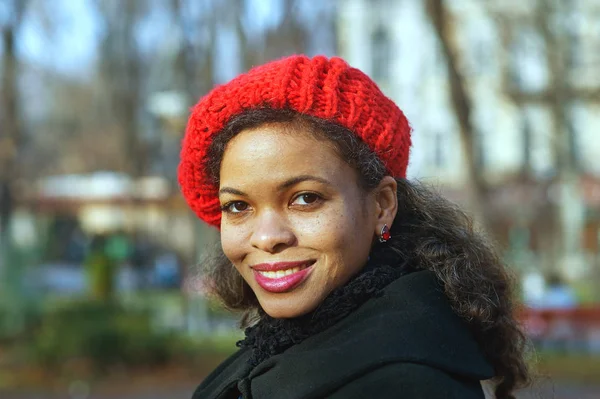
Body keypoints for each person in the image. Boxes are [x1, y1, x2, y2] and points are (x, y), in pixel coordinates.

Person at [178, 55, 530, 399]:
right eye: (238, 206)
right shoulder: (281, 351)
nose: (268, 237)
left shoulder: (403, 383)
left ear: (381, 206)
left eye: (305, 198)